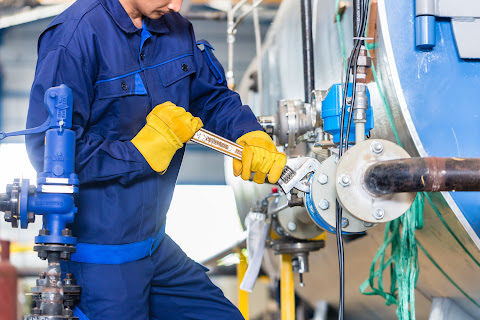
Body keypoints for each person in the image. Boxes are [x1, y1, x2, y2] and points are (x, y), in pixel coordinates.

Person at [25, 0, 287, 318]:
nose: (176, 4)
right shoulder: (75, 36)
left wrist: (249, 132)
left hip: (156, 246)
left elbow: (211, 97)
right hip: (100, 262)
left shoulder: (175, 28)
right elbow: (45, 149)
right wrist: (139, 154)